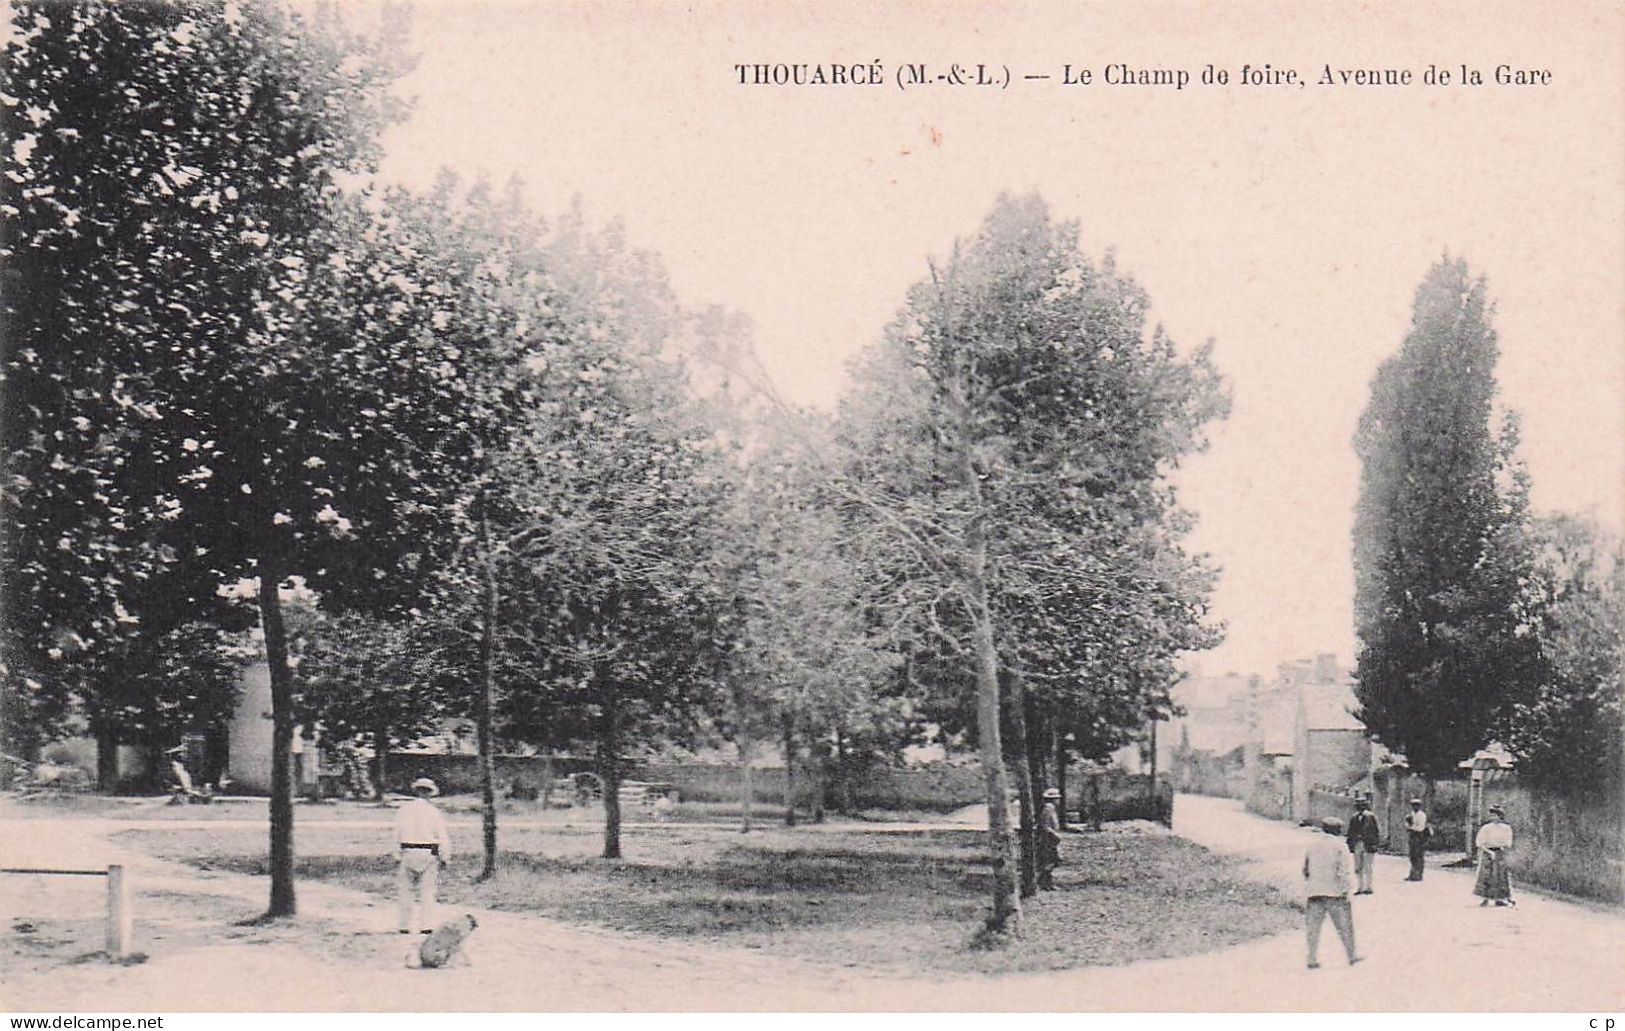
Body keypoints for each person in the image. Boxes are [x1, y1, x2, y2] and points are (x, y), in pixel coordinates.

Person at [1304, 816, 1363, 969]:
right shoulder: (1340, 847)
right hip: (1335, 893)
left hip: (1314, 892)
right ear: (1337, 830)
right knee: (1344, 926)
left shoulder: (1312, 846)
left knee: (1313, 928)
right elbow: (1343, 871)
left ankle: (1311, 958)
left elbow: (1305, 870)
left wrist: (1313, 883)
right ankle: (1352, 956)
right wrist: (1347, 890)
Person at [395, 777, 451, 934]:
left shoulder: (404, 810)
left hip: (408, 851)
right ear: (430, 793)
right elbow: (442, 836)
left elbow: (397, 833)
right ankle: (426, 925)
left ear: (416, 791)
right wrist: (445, 857)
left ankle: (404, 925)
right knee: (427, 891)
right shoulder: (434, 812)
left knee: (406, 891)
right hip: (428, 853)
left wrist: (396, 855)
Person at [1473, 804, 1515, 907]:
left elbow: (1508, 842)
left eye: (1496, 815)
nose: (1494, 818)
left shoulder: (1506, 828)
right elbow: (1480, 842)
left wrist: (1501, 849)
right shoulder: (1486, 828)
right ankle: (1485, 898)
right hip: (1487, 852)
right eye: (1492, 815)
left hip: (1500, 852)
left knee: (1500, 875)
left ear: (1500, 816)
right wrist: (1488, 851)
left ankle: (1500, 898)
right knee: (1486, 875)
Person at [1346, 796, 1381, 895]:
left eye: (1362, 805)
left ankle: (1368, 887)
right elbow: (1350, 832)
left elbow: (1376, 832)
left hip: (1368, 844)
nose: (1360, 807)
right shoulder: (1354, 818)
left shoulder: (1371, 817)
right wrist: (1350, 844)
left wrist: (1375, 844)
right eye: (1358, 806)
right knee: (1358, 867)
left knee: (1368, 867)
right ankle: (1360, 887)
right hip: (1357, 844)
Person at [1038, 787, 1063, 890]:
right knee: (1050, 860)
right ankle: (1045, 883)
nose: (1058, 800)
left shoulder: (1051, 808)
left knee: (1054, 860)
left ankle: (1046, 882)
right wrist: (1054, 835)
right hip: (1048, 838)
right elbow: (1045, 825)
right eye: (1056, 798)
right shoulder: (1048, 808)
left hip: (1051, 837)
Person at [1403, 798, 1430, 881]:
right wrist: (1408, 825)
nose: (1414, 807)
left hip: (1419, 836)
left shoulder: (1421, 815)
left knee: (1418, 855)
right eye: (1413, 805)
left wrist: (1410, 827)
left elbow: (1420, 828)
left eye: (1416, 805)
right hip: (1412, 835)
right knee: (1412, 855)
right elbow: (1407, 824)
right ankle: (1412, 873)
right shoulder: (1411, 814)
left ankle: (1418, 874)